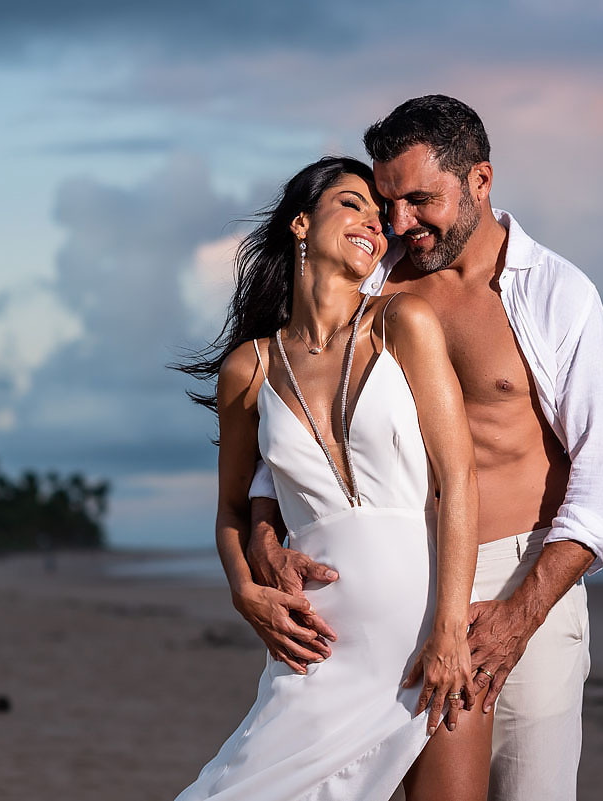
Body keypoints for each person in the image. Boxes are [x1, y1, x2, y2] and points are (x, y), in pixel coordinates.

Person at [237, 96, 603, 801]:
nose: (400, 223)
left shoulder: (554, 294)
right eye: (387, 200)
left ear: (481, 180)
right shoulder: (370, 283)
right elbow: (298, 424)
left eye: (422, 200)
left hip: (520, 578)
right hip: (396, 587)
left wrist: (518, 616)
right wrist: (265, 534)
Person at [174, 156, 490, 800]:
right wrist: (244, 589)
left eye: (382, 219)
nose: (375, 224)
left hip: (430, 637)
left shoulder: (403, 323)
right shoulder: (248, 367)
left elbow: (458, 480)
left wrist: (451, 632)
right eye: (353, 204)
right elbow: (233, 508)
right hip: (320, 650)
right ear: (299, 223)